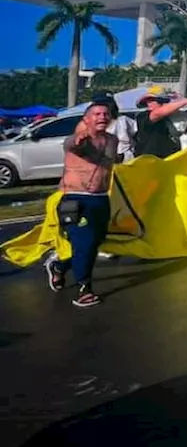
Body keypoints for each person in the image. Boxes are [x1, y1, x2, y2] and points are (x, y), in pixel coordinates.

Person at [44, 101, 119, 308]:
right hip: (76, 199)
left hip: (101, 198)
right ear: (86, 119)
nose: (102, 117)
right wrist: (78, 139)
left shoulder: (113, 140)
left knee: (95, 242)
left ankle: (59, 266)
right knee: (84, 244)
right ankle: (84, 289)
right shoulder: (79, 140)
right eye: (96, 114)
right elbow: (71, 144)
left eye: (105, 114)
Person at [135, 89, 187, 158]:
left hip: (170, 158)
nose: (149, 103)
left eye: (153, 100)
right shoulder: (143, 116)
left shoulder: (173, 116)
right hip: (149, 159)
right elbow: (157, 114)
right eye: (147, 101)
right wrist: (185, 101)